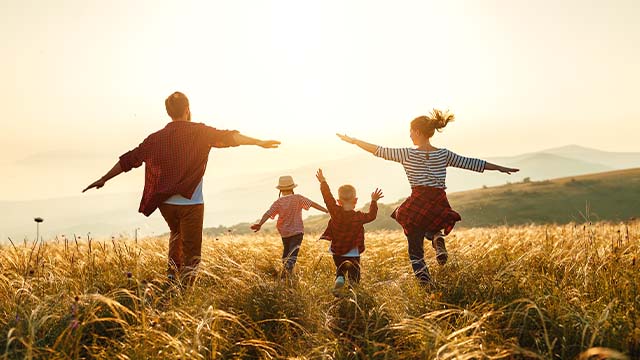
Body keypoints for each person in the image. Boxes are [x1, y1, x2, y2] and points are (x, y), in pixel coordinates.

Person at [83, 91, 280, 284]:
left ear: (169, 112)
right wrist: (258, 142)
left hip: (165, 204)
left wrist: (104, 178)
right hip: (191, 203)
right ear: (187, 109)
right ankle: (185, 290)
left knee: (176, 235)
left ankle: (171, 277)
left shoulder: (156, 138)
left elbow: (129, 160)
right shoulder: (200, 132)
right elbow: (230, 137)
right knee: (192, 250)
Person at [336, 109, 518, 286]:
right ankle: (437, 238)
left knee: (415, 250)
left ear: (417, 131)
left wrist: (354, 141)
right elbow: (472, 163)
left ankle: (426, 284)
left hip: (418, 201)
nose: (409, 135)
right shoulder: (443, 154)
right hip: (438, 201)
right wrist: (500, 168)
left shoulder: (407, 154)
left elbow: (378, 150)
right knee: (432, 225)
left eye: (410, 131)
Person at [315, 169, 383, 296]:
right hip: (353, 251)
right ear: (356, 200)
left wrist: (323, 182)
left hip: (337, 249)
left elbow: (327, 198)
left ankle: (340, 277)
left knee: (340, 268)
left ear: (338, 201)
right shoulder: (359, 217)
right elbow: (372, 216)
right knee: (354, 273)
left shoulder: (335, 211)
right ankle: (353, 292)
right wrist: (374, 201)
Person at [251, 175, 328, 276]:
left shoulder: (278, 202)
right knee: (292, 255)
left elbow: (268, 213)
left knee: (286, 254)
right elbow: (312, 204)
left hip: (284, 233)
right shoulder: (298, 198)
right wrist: (326, 210)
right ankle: (287, 274)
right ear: (292, 188)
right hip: (297, 232)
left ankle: (286, 274)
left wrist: (260, 224)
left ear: (280, 190)